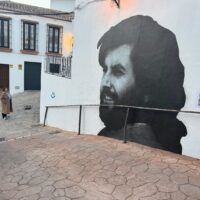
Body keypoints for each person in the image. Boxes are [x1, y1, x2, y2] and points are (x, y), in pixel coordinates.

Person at [97, 15, 187, 154]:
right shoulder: (113, 135)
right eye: (104, 69)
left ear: (146, 86)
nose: (105, 83)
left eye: (117, 72)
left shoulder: (143, 145)